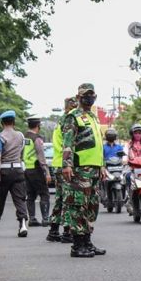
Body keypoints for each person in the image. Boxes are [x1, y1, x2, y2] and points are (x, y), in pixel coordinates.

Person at [61, 83, 106, 258]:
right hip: (80, 169)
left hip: (94, 169)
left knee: (91, 206)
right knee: (78, 205)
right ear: (78, 97)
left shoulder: (94, 117)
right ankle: (77, 245)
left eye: (91, 95)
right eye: (85, 95)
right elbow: (68, 142)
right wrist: (67, 165)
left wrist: (102, 165)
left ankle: (87, 241)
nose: (89, 98)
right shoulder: (73, 117)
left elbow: (98, 145)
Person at [0, 110, 29, 238]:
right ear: (13, 122)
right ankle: (23, 224)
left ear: (1, 123)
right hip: (18, 170)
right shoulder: (20, 136)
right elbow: (21, 151)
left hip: (4, 171)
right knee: (20, 199)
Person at [47, 97, 78, 243]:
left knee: (60, 198)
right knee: (68, 198)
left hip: (58, 163)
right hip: (65, 164)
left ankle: (53, 230)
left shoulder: (60, 120)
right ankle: (67, 231)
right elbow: (68, 144)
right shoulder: (68, 120)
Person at [23, 115, 52, 227]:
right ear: (38, 126)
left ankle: (32, 219)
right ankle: (45, 219)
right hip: (36, 169)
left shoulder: (24, 137)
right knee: (44, 194)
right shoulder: (37, 138)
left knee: (30, 195)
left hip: (27, 169)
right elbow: (41, 156)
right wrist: (47, 172)